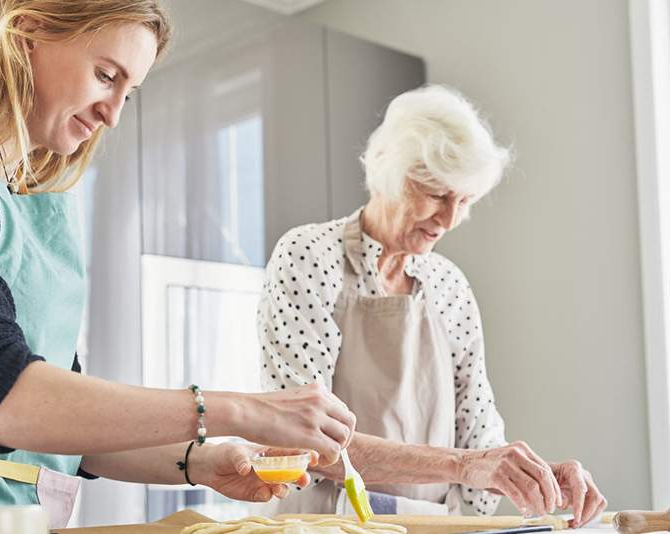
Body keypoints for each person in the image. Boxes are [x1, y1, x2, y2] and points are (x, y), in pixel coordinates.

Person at [0, 1, 356, 529]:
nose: (113, 113)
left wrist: (199, 460)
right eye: (105, 75)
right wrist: (241, 408)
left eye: (130, 91)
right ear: (26, 32)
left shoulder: (34, 203)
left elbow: (61, 420)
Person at [257, 85, 606, 528]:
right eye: (438, 194)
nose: (449, 219)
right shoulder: (309, 256)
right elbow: (304, 440)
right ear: (389, 172)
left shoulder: (449, 286)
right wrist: (464, 464)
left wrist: (536, 478)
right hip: (323, 524)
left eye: (466, 201)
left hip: (428, 525)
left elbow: (479, 440)